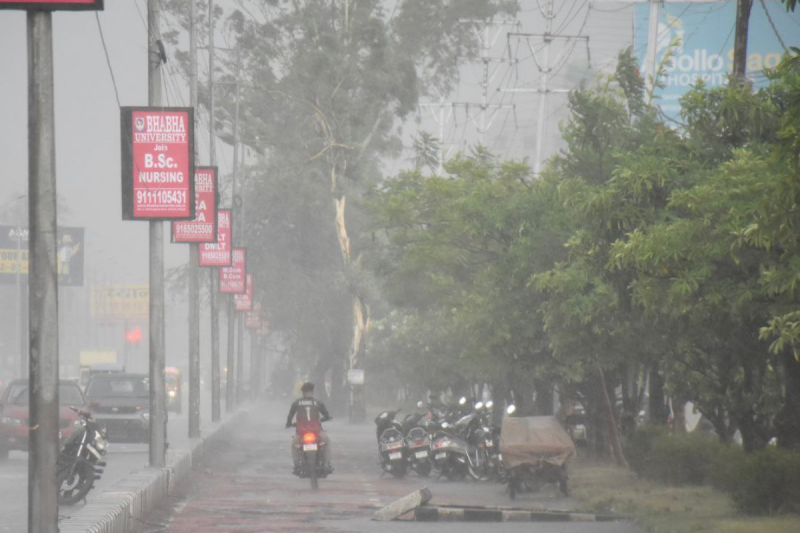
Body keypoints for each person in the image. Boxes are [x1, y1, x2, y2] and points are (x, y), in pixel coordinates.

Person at [286, 382, 332, 473]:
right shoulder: (318, 403)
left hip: (301, 432)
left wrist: (289, 424)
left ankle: (297, 466)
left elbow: (290, 416)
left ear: (303, 393)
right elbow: (326, 415)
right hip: (316, 431)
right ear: (312, 392)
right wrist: (324, 419)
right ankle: (326, 465)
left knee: (294, 444)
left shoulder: (297, 403)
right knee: (326, 441)